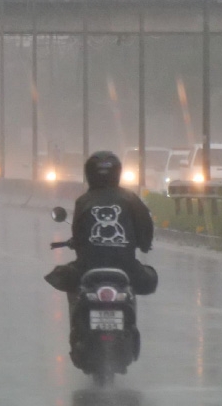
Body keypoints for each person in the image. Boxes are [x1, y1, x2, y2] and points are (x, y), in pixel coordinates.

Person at [46, 151, 158, 362]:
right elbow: (145, 229)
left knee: (69, 282)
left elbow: (78, 235)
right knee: (147, 279)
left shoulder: (83, 201)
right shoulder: (131, 199)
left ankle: (77, 327)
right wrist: (144, 245)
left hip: (89, 267)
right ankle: (129, 321)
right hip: (126, 267)